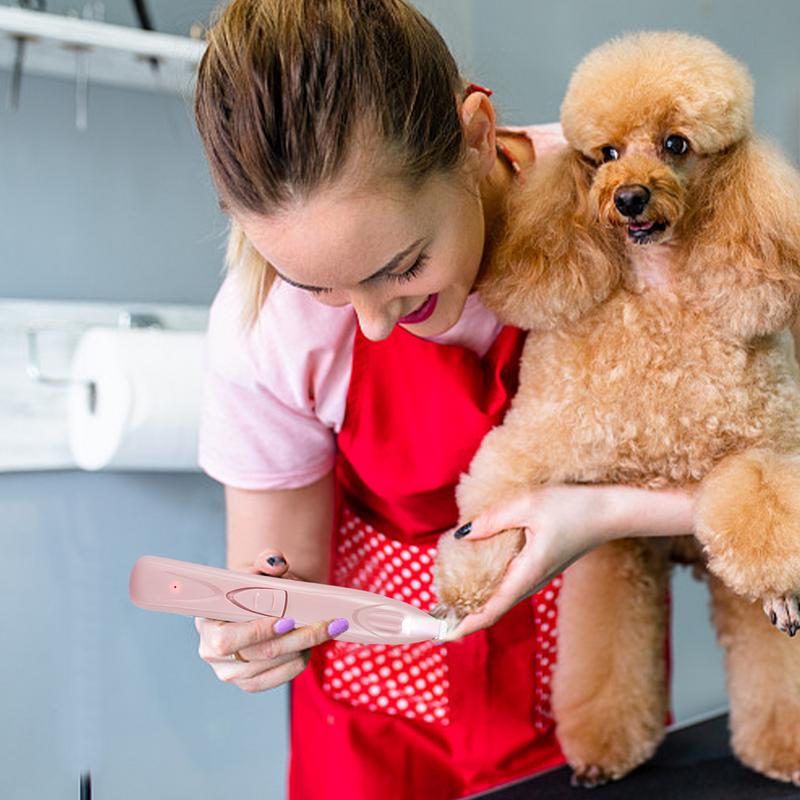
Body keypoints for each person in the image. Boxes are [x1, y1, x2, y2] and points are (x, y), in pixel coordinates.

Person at [191, 1, 696, 798]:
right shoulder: (265, 327)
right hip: (372, 726)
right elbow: (288, 571)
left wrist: (601, 513)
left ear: (476, 136)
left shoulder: (629, 203)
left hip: (588, 703)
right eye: (320, 285)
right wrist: (259, 621)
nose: (374, 322)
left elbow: (772, 466)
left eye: (403, 265)